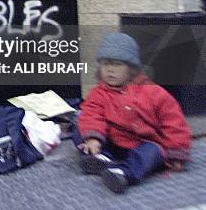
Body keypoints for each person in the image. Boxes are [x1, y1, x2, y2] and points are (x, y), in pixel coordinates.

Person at [76, 32, 192, 193]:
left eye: (117, 64)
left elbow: (174, 123)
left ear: (131, 69)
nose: (110, 69)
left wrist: (176, 153)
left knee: (154, 152)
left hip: (143, 144)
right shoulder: (98, 93)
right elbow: (91, 114)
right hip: (113, 142)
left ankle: (122, 173)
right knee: (80, 126)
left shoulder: (153, 92)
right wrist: (93, 138)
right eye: (105, 64)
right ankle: (101, 158)